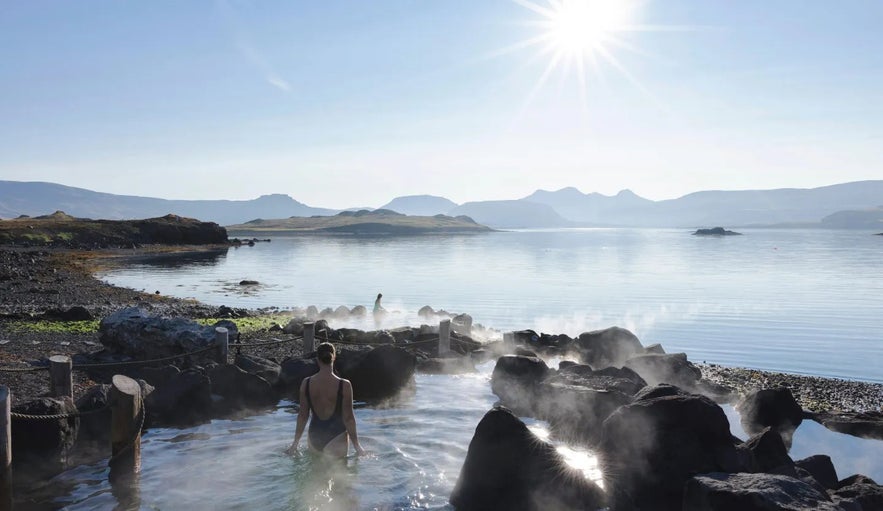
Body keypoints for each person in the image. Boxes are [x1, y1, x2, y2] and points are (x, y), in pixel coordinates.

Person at [288, 342, 365, 459]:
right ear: (334, 357)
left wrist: (295, 443)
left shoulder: (306, 383)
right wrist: (357, 446)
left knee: (315, 474)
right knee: (340, 474)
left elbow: (303, 416)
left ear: (317, 360)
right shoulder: (344, 385)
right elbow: (348, 418)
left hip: (314, 437)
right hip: (337, 437)